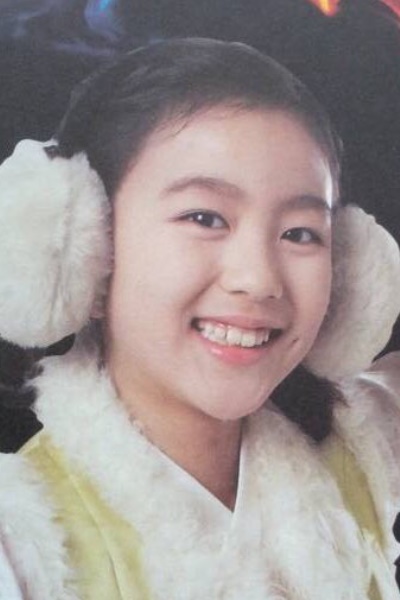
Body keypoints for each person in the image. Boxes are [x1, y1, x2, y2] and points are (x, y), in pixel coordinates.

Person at [0, 37, 399, 600]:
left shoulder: (364, 449)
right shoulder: (23, 545)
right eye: (205, 218)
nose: (258, 279)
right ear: (81, 249)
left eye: (300, 233)